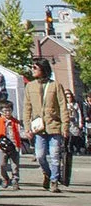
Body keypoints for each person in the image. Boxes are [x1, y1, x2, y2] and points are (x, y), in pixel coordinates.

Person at [25, 59, 70, 192]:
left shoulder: (55, 85)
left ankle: (54, 181)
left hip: (54, 125)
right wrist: (27, 127)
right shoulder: (30, 86)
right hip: (38, 128)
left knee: (55, 155)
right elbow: (27, 108)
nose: (32, 70)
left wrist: (65, 126)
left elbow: (63, 106)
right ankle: (47, 173)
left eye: (35, 68)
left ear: (43, 69)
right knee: (40, 156)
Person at [0, 100, 24, 189]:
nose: (7, 113)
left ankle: (15, 180)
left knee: (15, 165)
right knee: (1, 164)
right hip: (2, 146)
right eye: (5, 111)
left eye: (9, 110)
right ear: (0, 111)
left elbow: (21, 131)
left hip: (14, 146)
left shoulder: (16, 122)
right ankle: (5, 178)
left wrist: (26, 134)